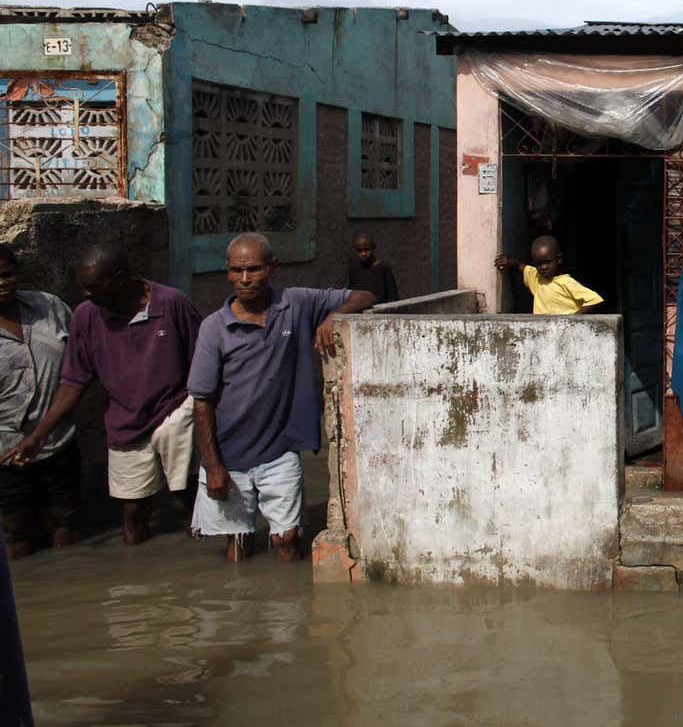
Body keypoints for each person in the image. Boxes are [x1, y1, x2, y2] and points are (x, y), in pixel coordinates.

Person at [187, 233, 374, 562]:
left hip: (279, 449)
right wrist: (212, 465)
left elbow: (365, 295)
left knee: (286, 540)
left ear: (272, 268)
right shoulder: (213, 328)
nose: (245, 280)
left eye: (255, 269)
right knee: (239, 546)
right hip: (228, 453)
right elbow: (201, 403)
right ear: (227, 273)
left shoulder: (296, 303)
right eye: (237, 271)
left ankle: (291, 612)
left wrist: (333, 318)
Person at [2, 244, 201, 546]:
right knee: (133, 512)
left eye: (92, 288)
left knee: (184, 500)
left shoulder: (171, 304)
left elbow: (203, 363)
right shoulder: (86, 317)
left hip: (174, 412)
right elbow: (74, 381)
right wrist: (40, 434)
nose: (85, 295)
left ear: (121, 279)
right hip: (124, 421)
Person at [0, 244, 79, 559]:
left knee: (66, 523)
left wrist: (42, 433)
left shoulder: (49, 307)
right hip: (5, 452)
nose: (2, 283)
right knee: (14, 533)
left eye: (6, 274)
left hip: (58, 440)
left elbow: (77, 368)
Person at [493, 235, 603, 314]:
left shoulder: (566, 282)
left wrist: (573, 320)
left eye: (548, 262)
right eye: (539, 264)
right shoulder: (536, 277)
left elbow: (594, 299)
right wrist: (507, 261)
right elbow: (520, 266)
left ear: (558, 259)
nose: (543, 267)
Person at [345, 230, 399, 309]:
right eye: (359, 250)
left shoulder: (383, 268)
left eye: (367, 249)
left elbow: (393, 298)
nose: (363, 254)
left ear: (374, 247)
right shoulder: (354, 268)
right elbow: (350, 294)